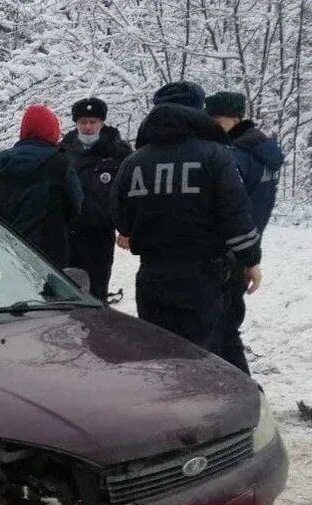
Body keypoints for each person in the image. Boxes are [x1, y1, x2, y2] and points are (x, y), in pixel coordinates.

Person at [110, 81, 259, 350]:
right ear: (197, 111)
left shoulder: (134, 161)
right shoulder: (215, 156)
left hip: (152, 275)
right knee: (201, 356)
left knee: (157, 354)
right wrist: (250, 259)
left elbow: (121, 218)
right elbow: (235, 215)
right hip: (201, 276)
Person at [206, 91, 284, 374]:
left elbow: (227, 207)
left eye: (217, 119)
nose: (212, 125)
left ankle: (239, 393)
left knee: (218, 329)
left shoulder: (235, 156)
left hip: (227, 251)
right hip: (247, 245)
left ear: (235, 118)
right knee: (227, 326)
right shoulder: (264, 152)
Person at [0, 104, 83, 267]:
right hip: (51, 251)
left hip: (10, 251)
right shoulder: (60, 164)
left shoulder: (1, 166)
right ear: (52, 130)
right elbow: (75, 204)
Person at [60, 98, 133, 301]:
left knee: (97, 287)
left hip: (100, 232)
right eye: (83, 122)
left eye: (93, 122)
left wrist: (127, 228)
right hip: (69, 231)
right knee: (68, 288)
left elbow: (128, 194)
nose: (88, 127)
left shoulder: (118, 152)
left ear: (101, 122)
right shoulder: (63, 151)